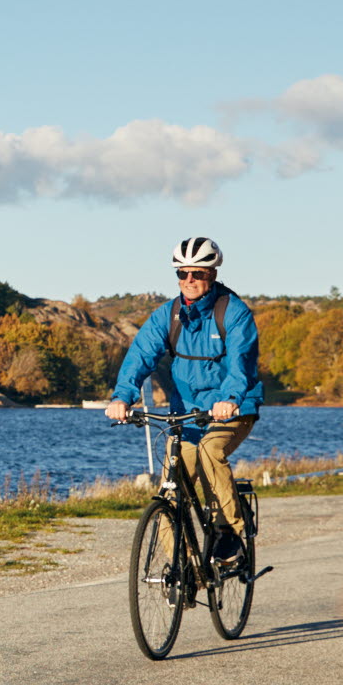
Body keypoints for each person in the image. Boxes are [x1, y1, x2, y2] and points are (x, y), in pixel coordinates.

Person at [105, 235, 262, 561]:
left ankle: (227, 531)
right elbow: (141, 355)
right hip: (188, 413)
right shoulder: (168, 314)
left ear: (213, 274)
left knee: (210, 450)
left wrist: (230, 398)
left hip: (233, 408)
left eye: (198, 273)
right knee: (170, 491)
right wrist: (123, 397)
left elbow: (240, 364)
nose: (189, 280)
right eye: (183, 274)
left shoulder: (233, 313)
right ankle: (184, 569)